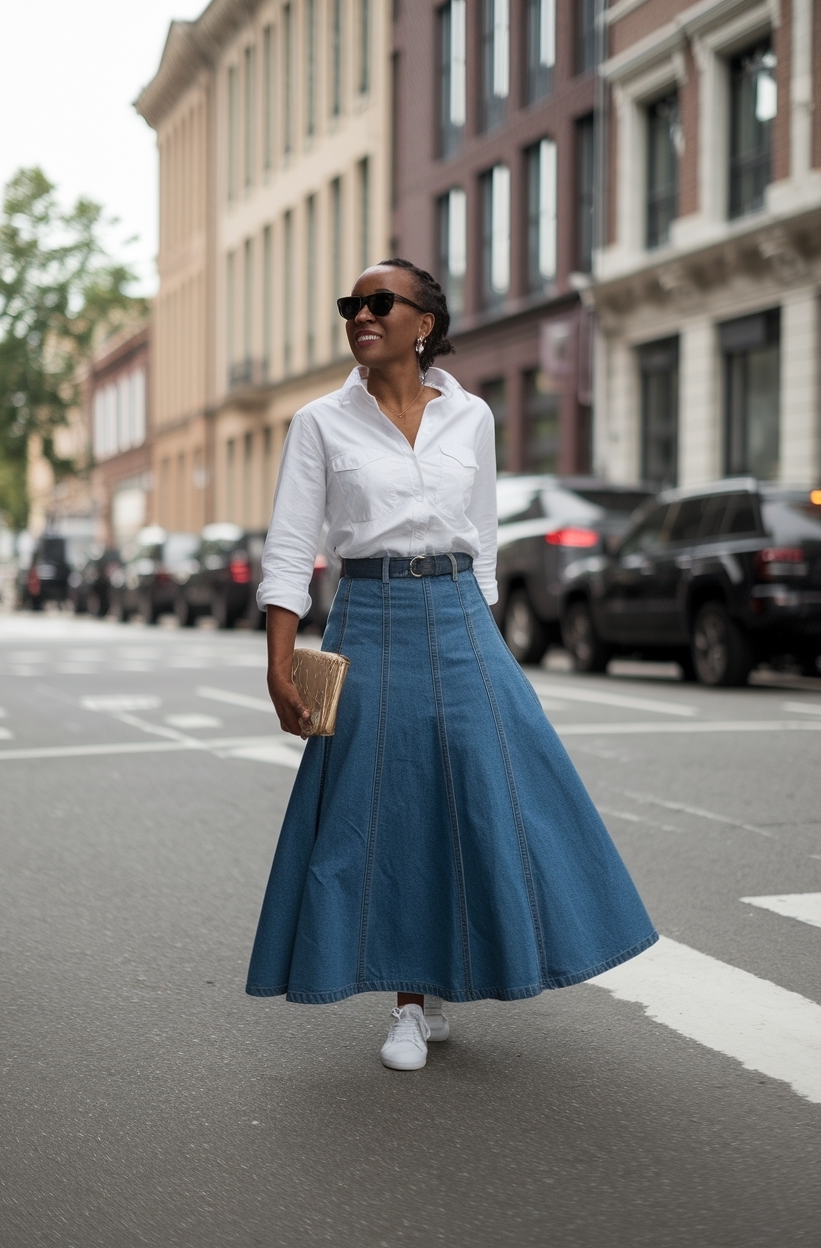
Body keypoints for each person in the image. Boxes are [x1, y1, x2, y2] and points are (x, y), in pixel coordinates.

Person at [246, 259, 657, 1071]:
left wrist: (485, 638)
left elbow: (484, 539)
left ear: (424, 323)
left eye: (379, 302)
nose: (361, 316)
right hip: (370, 618)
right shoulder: (319, 422)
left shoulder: (472, 417)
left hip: (460, 615)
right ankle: (408, 1003)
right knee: (392, 804)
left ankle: (471, 966)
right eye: (351, 305)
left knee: (498, 790)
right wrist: (279, 664)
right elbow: (291, 547)